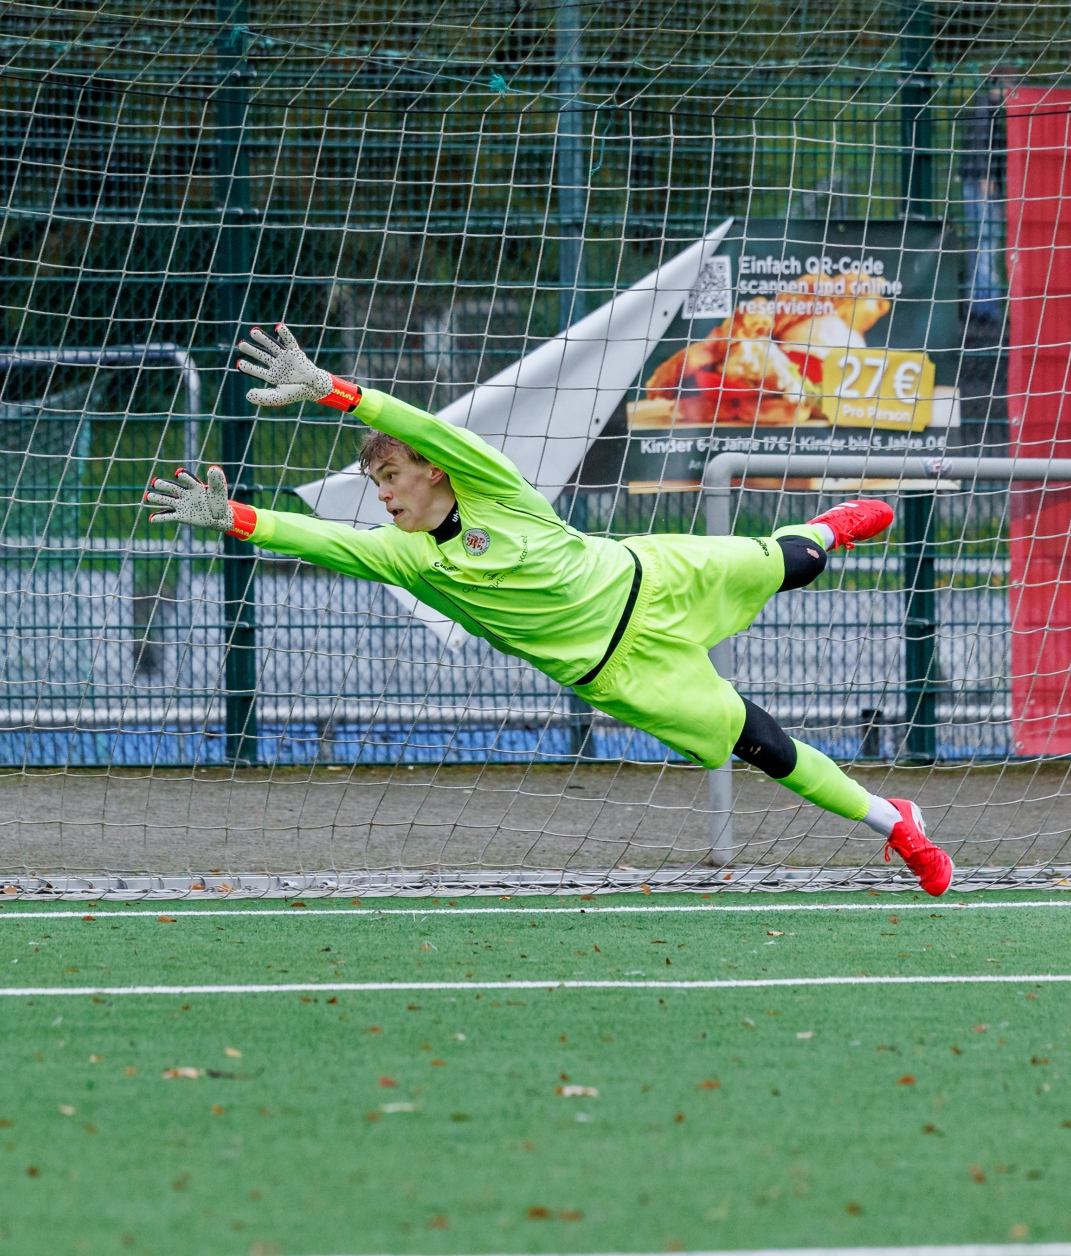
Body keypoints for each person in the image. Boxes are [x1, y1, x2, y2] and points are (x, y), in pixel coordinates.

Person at [144, 324, 953, 895]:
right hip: (627, 674)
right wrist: (234, 517)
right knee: (765, 746)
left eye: (390, 477)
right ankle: (896, 823)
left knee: (798, 563)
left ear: (432, 471)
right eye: (376, 484)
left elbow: (421, 424)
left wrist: (336, 393)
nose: (383, 495)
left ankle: (824, 527)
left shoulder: (492, 486)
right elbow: (319, 540)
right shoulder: (409, 557)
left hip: (654, 579)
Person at [960, 65, 1012, 325]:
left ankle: (981, 301)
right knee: (986, 241)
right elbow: (983, 142)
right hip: (981, 182)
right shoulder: (987, 108)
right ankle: (984, 305)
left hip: (981, 181)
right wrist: (986, 176)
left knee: (983, 241)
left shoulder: (989, 107)